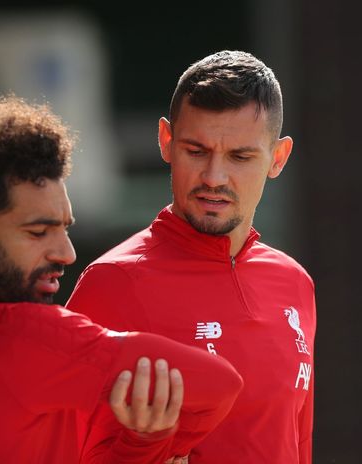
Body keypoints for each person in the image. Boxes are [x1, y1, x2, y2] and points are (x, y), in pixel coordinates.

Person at [0, 96, 243, 463]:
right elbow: (219, 384)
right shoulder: (24, 335)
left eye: (64, 229)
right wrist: (151, 445)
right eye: (39, 232)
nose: (66, 253)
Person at [66, 51, 316, 463]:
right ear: (166, 141)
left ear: (278, 158)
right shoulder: (113, 282)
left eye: (240, 156)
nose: (214, 178)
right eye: (196, 151)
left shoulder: (294, 283)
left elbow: (297, 446)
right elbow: (58, 448)